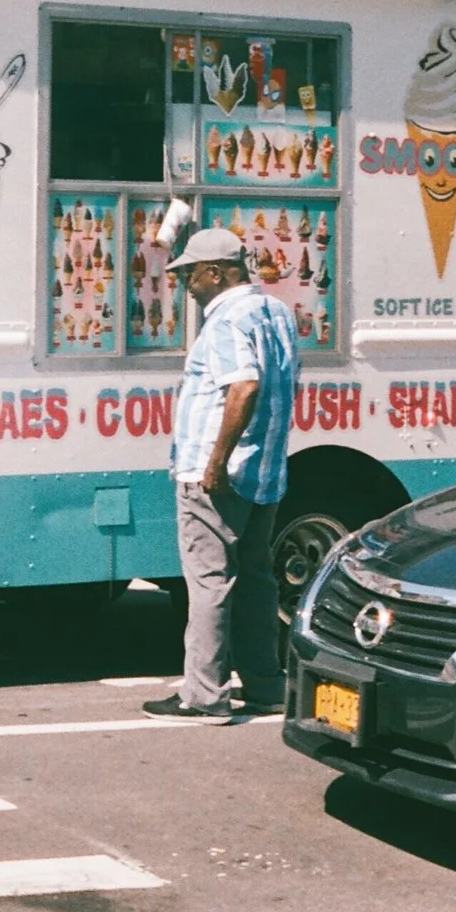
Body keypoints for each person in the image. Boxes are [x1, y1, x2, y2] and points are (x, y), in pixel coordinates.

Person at [143, 226, 298, 724]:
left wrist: (214, 464)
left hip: (219, 476)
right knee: (256, 580)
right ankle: (266, 685)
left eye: (190, 273)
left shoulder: (227, 320)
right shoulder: (276, 312)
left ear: (217, 272)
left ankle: (204, 696)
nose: (186, 283)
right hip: (266, 470)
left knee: (210, 582)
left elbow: (244, 387)